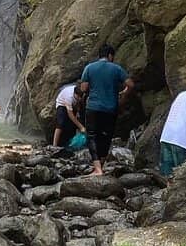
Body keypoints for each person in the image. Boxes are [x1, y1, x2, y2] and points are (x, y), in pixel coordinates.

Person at [77, 44, 131, 176]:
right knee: (106, 136)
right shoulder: (117, 69)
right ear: (110, 56)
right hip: (110, 108)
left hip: (93, 107)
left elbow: (83, 88)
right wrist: (123, 95)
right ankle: (101, 165)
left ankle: (97, 168)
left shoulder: (89, 68)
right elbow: (130, 84)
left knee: (92, 136)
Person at [52, 82, 85, 147]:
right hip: (62, 103)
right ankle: (54, 145)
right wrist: (81, 127)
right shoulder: (69, 97)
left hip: (73, 105)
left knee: (72, 126)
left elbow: (78, 103)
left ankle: (71, 144)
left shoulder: (81, 94)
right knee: (60, 123)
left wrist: (78, 111)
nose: (79, 98)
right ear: (74, 94)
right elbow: (70, 115)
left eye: (80, 97)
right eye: (77, 96)